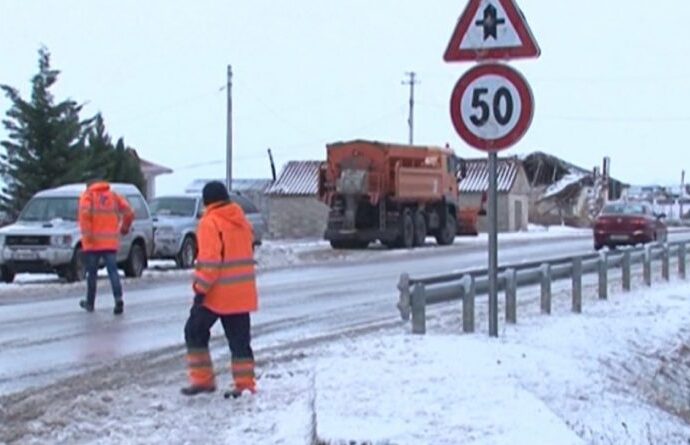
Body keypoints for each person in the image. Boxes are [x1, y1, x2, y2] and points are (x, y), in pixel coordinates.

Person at [181, 181, 258, 399]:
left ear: (207, 201)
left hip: (216, 294)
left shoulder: (210, 222)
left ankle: (202, 380)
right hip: (241, 293)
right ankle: (245, 384)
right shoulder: (241, 221)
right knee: (240, 341)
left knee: (194, 332)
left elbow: (210, 261)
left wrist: (200, 289)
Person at [78, 181, 134, 315]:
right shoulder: (113, 196)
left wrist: (88, 236)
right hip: (110, 242)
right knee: (113, 272)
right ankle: (118, 299)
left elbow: (84, 217)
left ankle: (90, 303)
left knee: (92, 274)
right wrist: (124, 228)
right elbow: (129, 212)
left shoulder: (88, 197)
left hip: (93, 243)